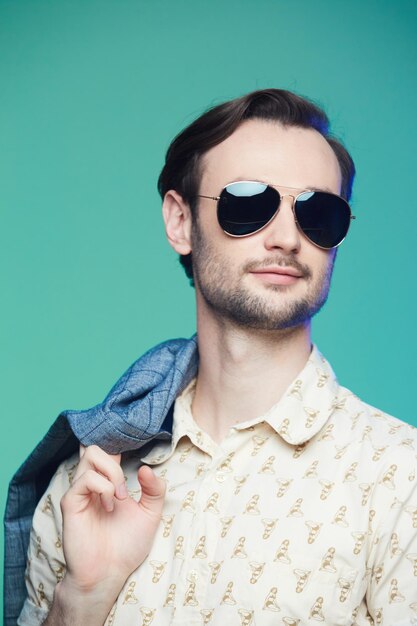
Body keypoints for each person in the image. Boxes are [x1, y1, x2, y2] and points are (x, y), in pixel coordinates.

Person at [5, 88, 417, 626]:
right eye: (249, 202)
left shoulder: (399, 479)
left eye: (320, 213)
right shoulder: (82, 487)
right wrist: (84, 595)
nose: (288, 237)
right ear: (180, 223)